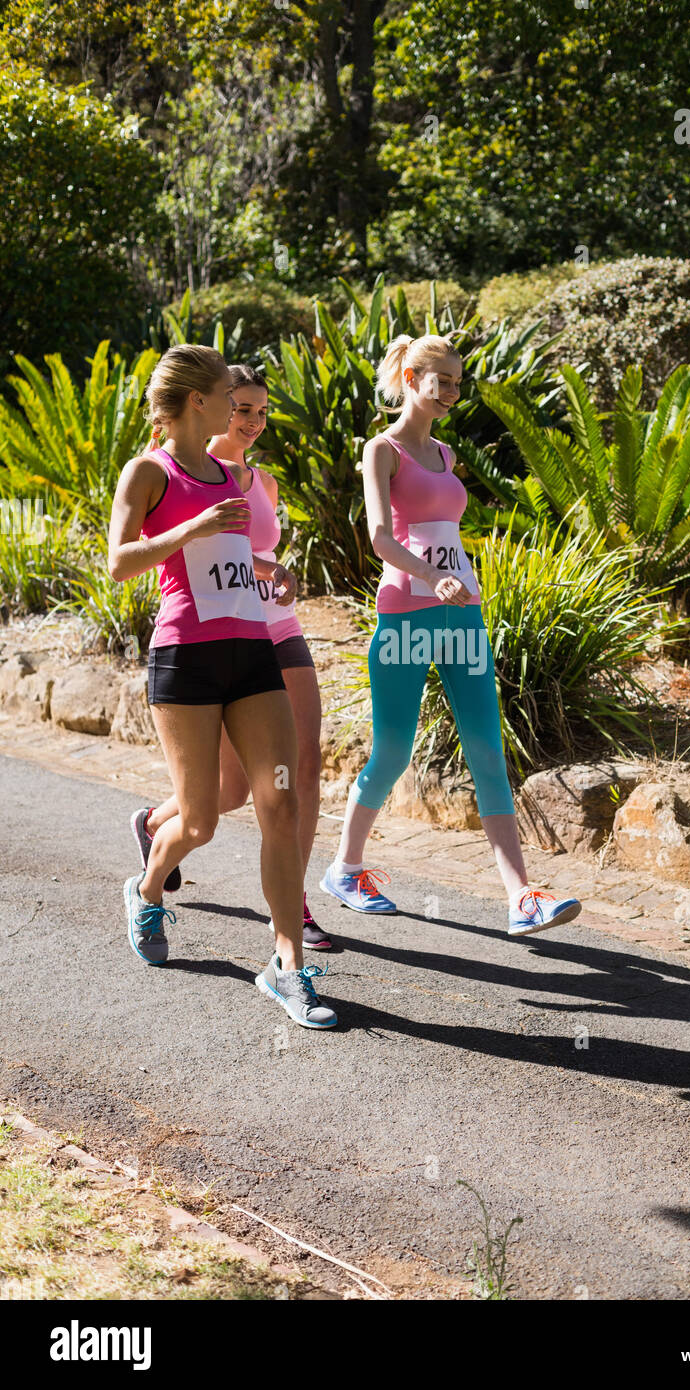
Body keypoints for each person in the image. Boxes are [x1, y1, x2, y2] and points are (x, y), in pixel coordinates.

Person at [320, 332, 582, 937]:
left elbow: (444, 530)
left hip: (463, 613)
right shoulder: (381, 450)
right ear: (411, 380)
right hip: (406, 615)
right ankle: (345, 868)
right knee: (392, 752)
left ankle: (520, 897)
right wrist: (433, 577)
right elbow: (382, 539)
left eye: (459, 383)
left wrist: (457, 579)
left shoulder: (447, 456)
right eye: (444, 382)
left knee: (487, 749)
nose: (454, 393)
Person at [108, 344, 336, 1028]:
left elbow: (229, 555)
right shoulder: (150, 470)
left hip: (251, 651)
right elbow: (120, 562)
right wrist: (194, 525)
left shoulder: (230, 473)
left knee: (281, 801)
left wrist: (269, 570)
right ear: (198, 401)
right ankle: (148, 889)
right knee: (201, 818)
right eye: (223, 391)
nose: (237, 403)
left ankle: (287, 967)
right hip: (185, 658)